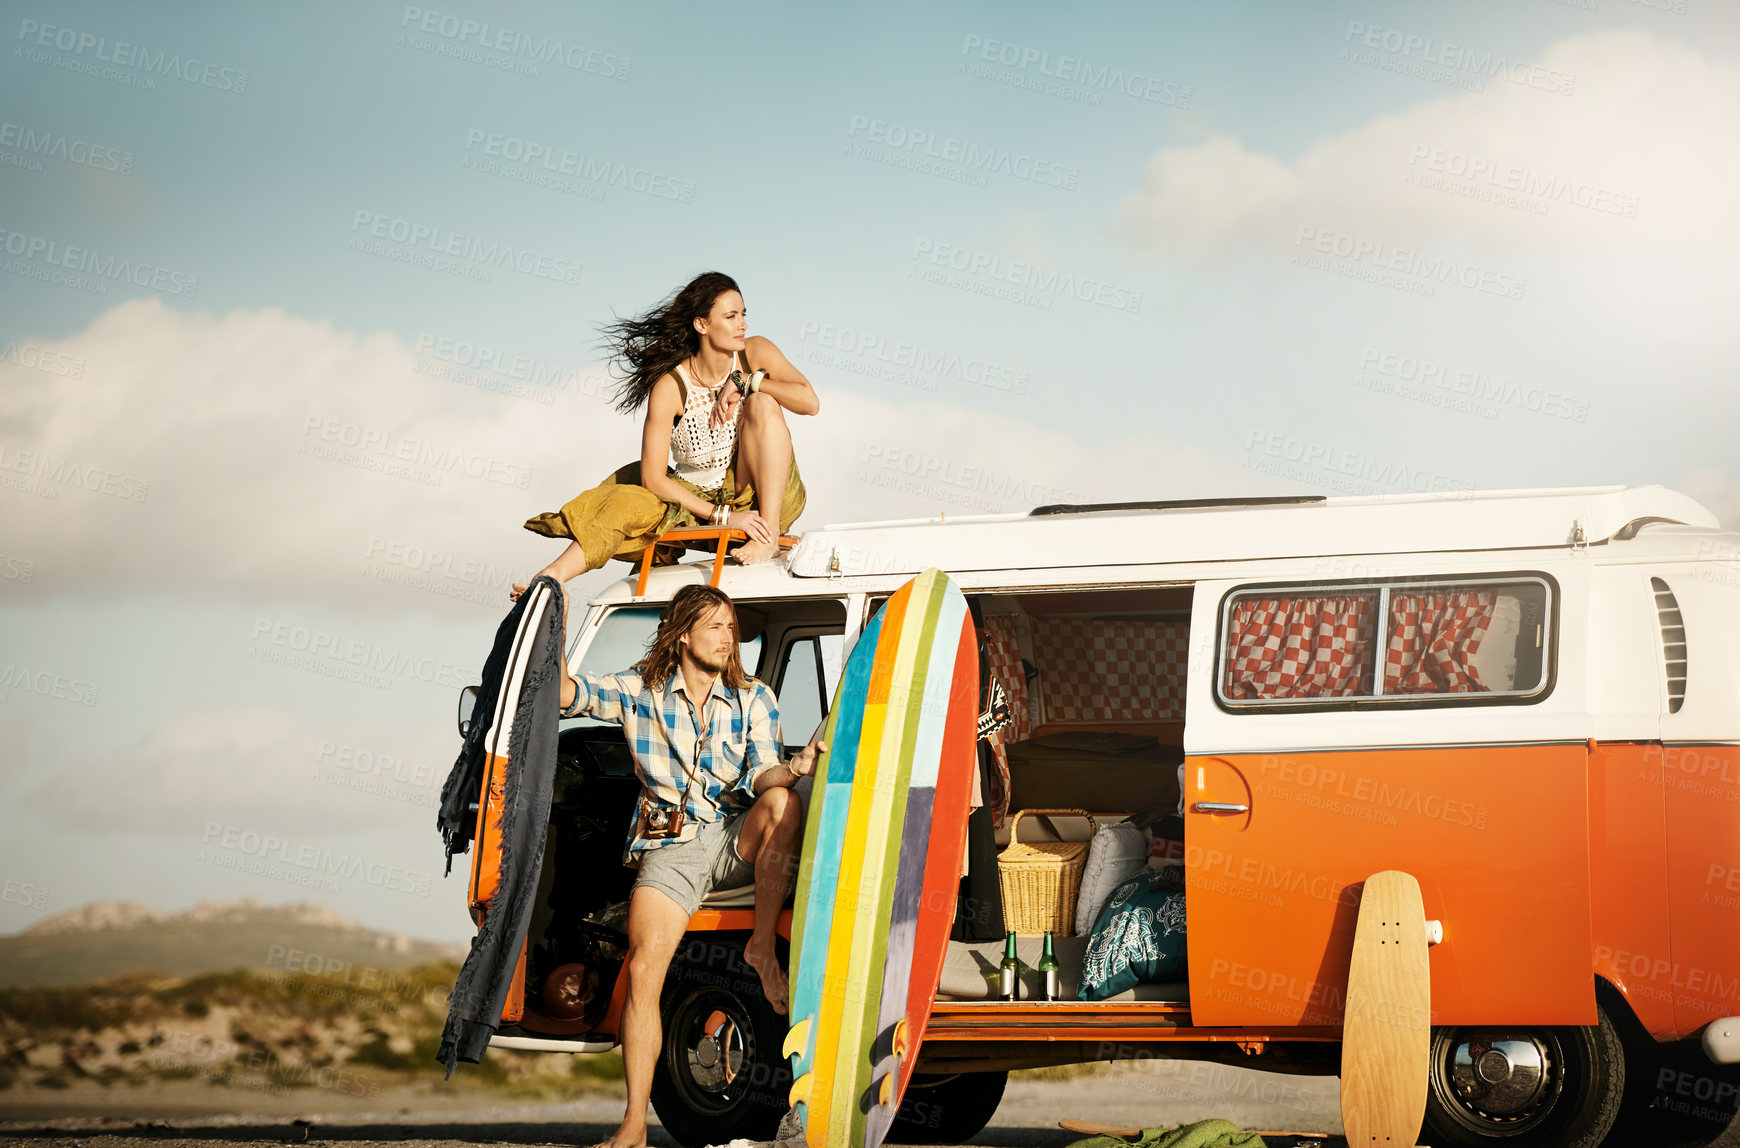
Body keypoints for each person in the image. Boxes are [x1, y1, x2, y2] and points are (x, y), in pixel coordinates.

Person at [556, 583, 823, 1148]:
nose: (729, 638)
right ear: (681, 635)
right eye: (716, 627)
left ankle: (757, 944)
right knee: (646, 970)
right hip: (668, 850)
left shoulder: (755, 697)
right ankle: (633, 1124)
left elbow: (763, 776)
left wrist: (794, 768)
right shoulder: (640, 690)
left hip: (732, 839)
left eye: (732, 627)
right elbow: (565, 694)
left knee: (783, 801)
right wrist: (549, 614)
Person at [514, 272, 819, 602]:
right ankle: (550, 579)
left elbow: (809, 402)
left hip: (756, 494)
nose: (741, 324)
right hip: (694, 501)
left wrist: (748, 382)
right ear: (701, 325)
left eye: (743, 314)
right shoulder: (670, 386)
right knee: (624, 502)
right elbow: (653, 478)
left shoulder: (755, 352)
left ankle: (768, 535)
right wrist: (725, 517)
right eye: (730, 317)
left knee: (762, 403)